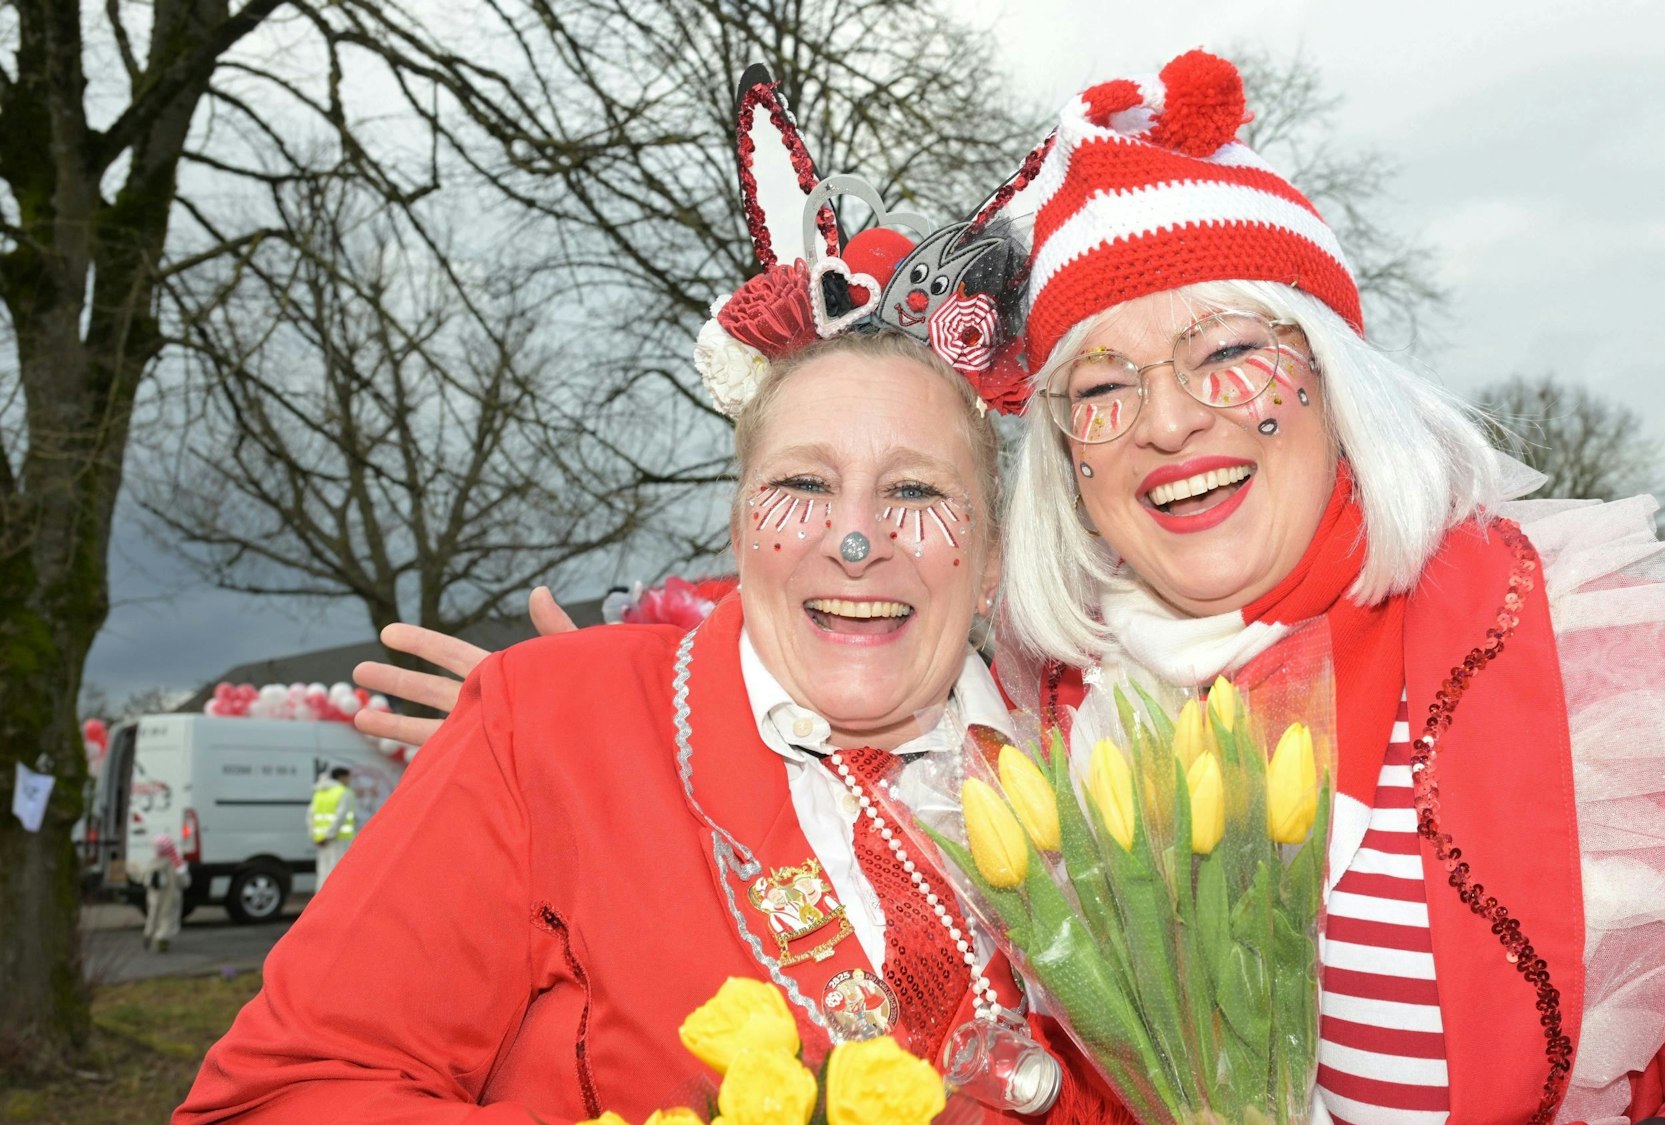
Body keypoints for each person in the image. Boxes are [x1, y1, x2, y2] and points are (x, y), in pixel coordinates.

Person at [985, 49, 1665, 1125]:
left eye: (1223, 349)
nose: (1166, 420)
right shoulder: (1067, 723)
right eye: (1101, 385)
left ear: (1333, 379)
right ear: (1064, 456)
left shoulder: (1613, 668)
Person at [176, 67, 1109, 1124]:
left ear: (990, 557)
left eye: (915, 491)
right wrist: (571, 751)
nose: (856, 540)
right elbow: (278, 1097)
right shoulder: (554, 721)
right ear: (737, 527)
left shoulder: (1100, 787)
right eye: (801, 485)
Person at [308, 765, 357, 887]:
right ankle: (338, 903)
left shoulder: (319, 793)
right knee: (338, 872)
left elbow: (310, 817)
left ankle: (321, 901)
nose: (349, 781)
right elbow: (341, 817)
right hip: (340, 839)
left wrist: (316, 836)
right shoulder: (344, 792)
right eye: (347, 777)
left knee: (323, 872)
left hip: (321, 841)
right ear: (341, 777)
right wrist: (329, 835)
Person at [142, 833, 190, 953]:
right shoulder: (176, 863)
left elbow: (145, 879)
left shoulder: (153, 862)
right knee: (168, 918)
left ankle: (148, 933)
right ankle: (162, 940)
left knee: (153, 915)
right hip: (171, 896)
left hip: (154, 895)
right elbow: (184, 881)